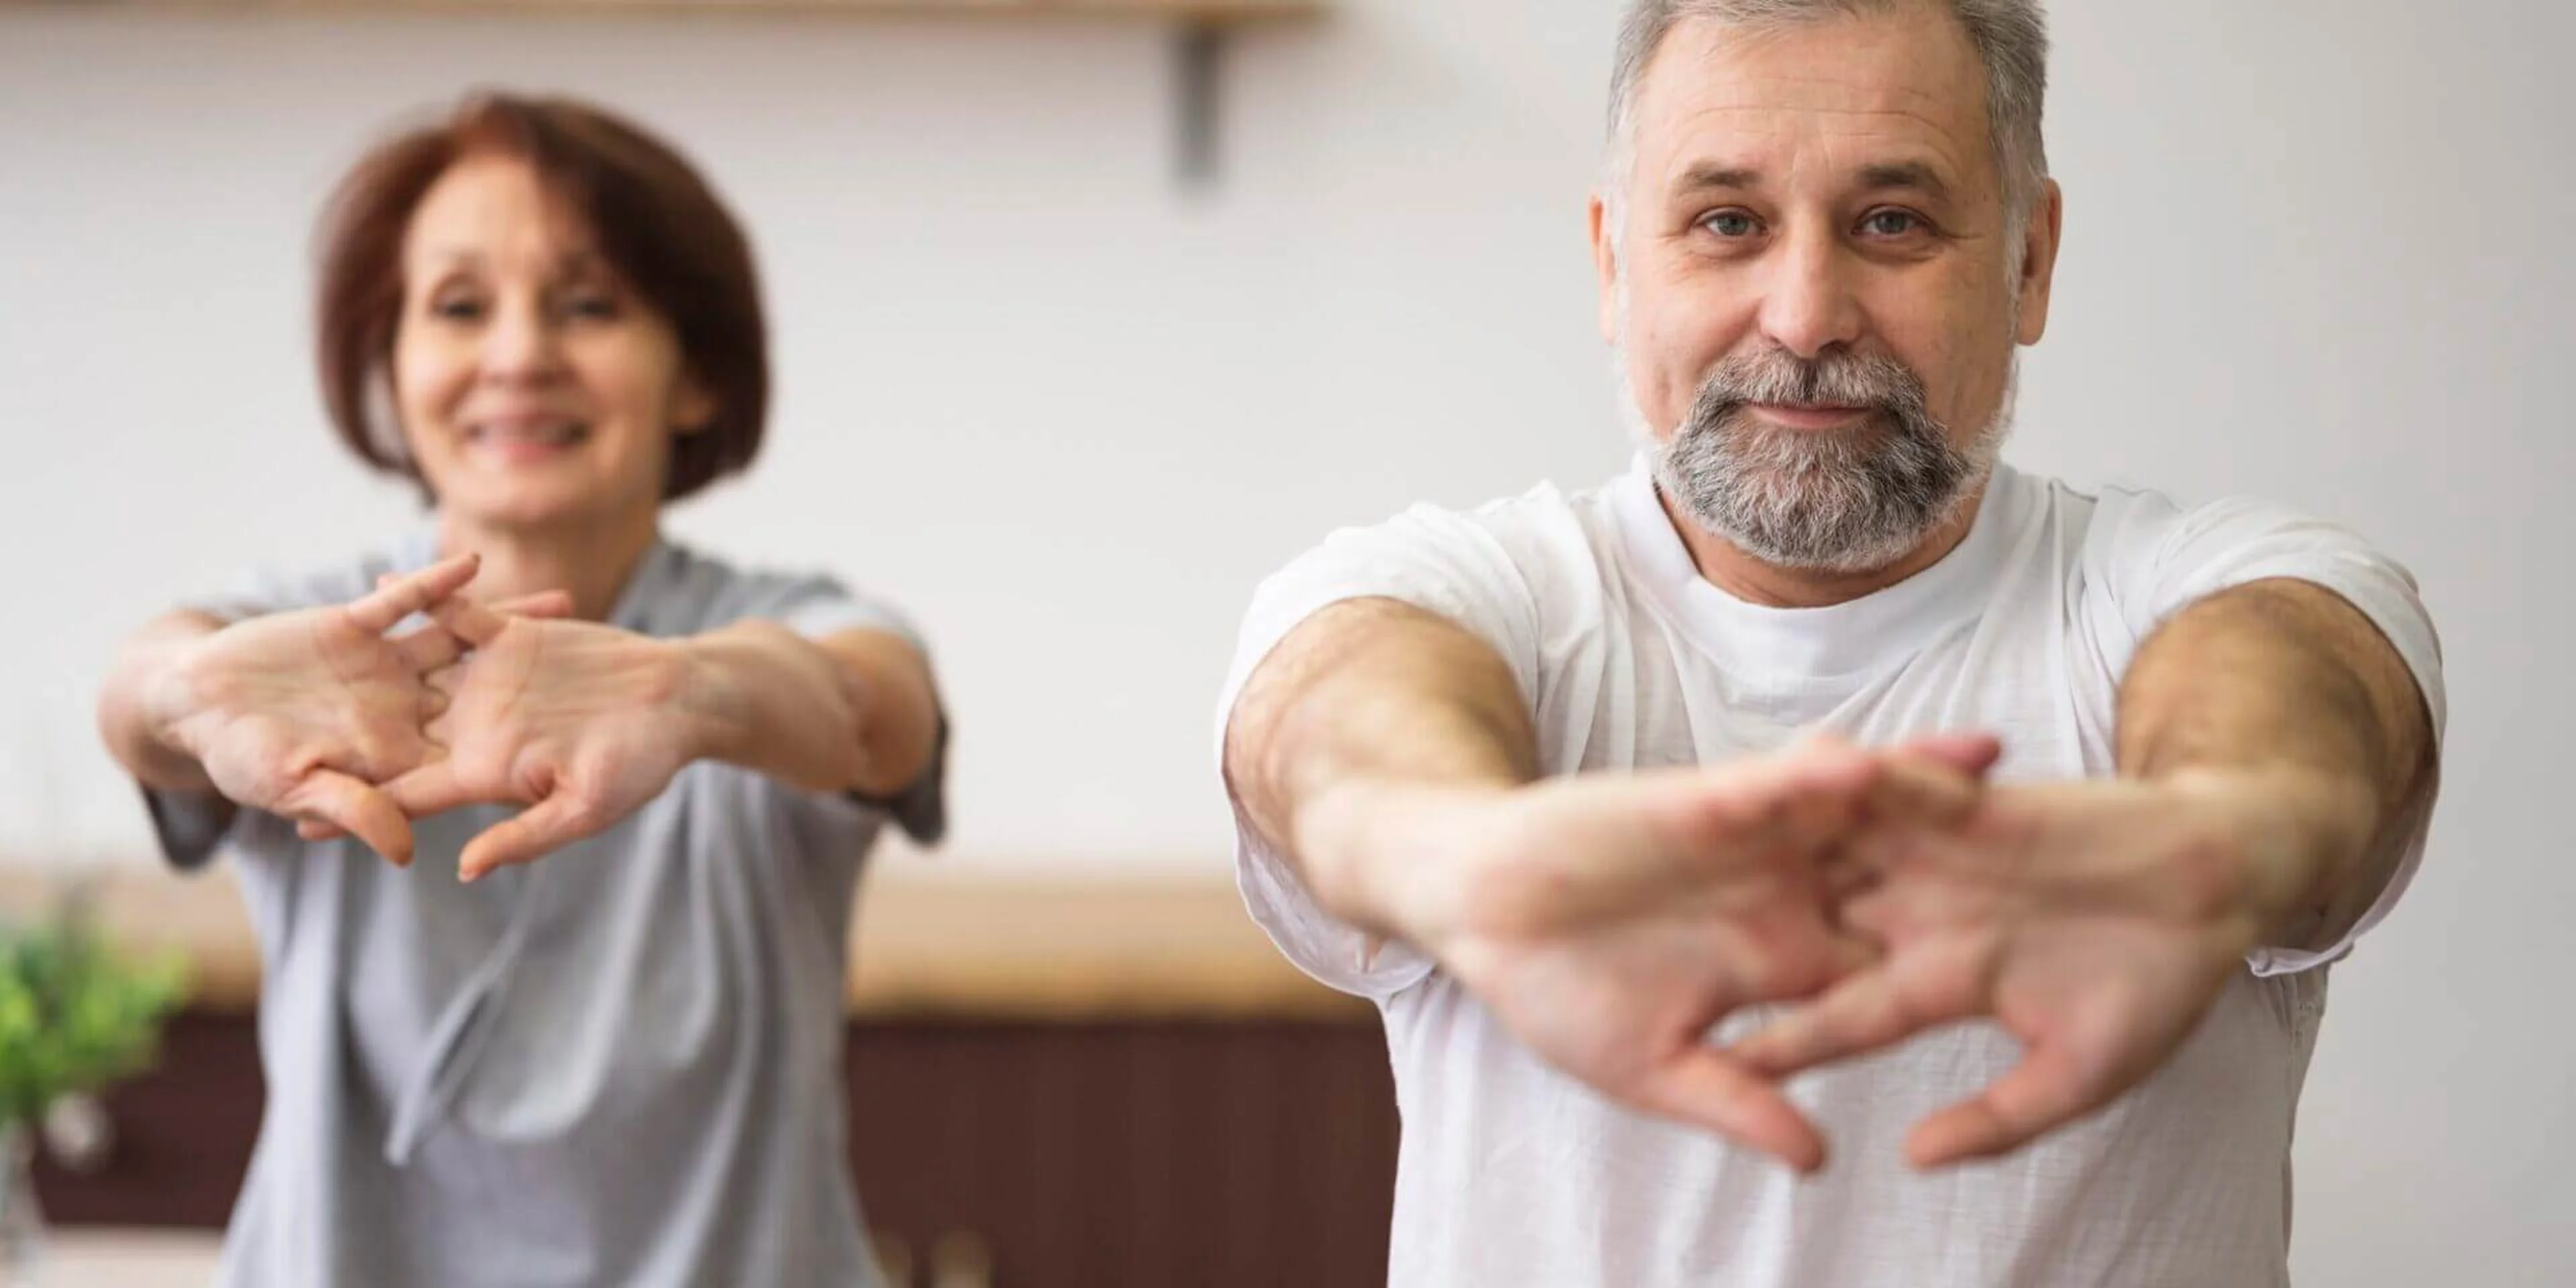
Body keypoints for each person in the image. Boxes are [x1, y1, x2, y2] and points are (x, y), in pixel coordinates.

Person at [1216, 1, 2445, 1284]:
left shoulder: (2194, 587)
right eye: (1728, 223)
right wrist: (1461, 859)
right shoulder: (1465, 592)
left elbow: (2312, 712)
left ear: (2030, 261)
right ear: (1612, 267)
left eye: (1893, 223)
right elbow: (1335, 725)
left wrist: (2225, 834)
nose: (1805, 318)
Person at [94, 93, 946, 1287]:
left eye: (588, 304)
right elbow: (148, 689)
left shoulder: (776, 630)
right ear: (392, 367)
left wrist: (698, 695)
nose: (518, 355)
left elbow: (871, 709)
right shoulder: (312, 638)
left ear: (695, 373)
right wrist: (183, 695)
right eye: (458, 307)